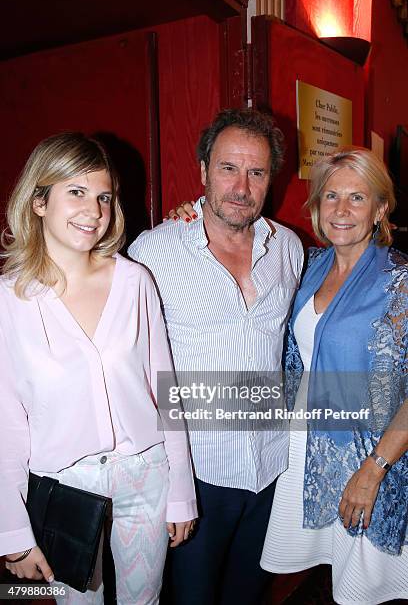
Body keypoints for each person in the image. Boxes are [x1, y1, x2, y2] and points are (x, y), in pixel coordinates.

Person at [0, 133, 197, 604]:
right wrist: (13, 532)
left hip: (144, 473)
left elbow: (166, 391)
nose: (93, 209)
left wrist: (180, 493)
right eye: (76, 192)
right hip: (65, 485)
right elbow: (6, 425)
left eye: (103, 196)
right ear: (39, 201)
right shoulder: (10, 300)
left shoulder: (135, 281)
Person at [128, 108, 304, 605]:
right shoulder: (153, 253)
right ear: (203, 170)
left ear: (272, 178)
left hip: (272, 468)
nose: (240, 186)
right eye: (228, 168)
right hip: (196, 476)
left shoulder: (288, 248)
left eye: (256, 172)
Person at [259, 147, 408, 604]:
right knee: (323, 581)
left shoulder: (400, 282)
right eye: (331, 196)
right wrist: (192, 212)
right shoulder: (306, 265)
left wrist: (374, 469)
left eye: (357, 198)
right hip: (305, 452)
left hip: (368, 458)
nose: (341, 210)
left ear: (380, 208)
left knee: (362, 590)